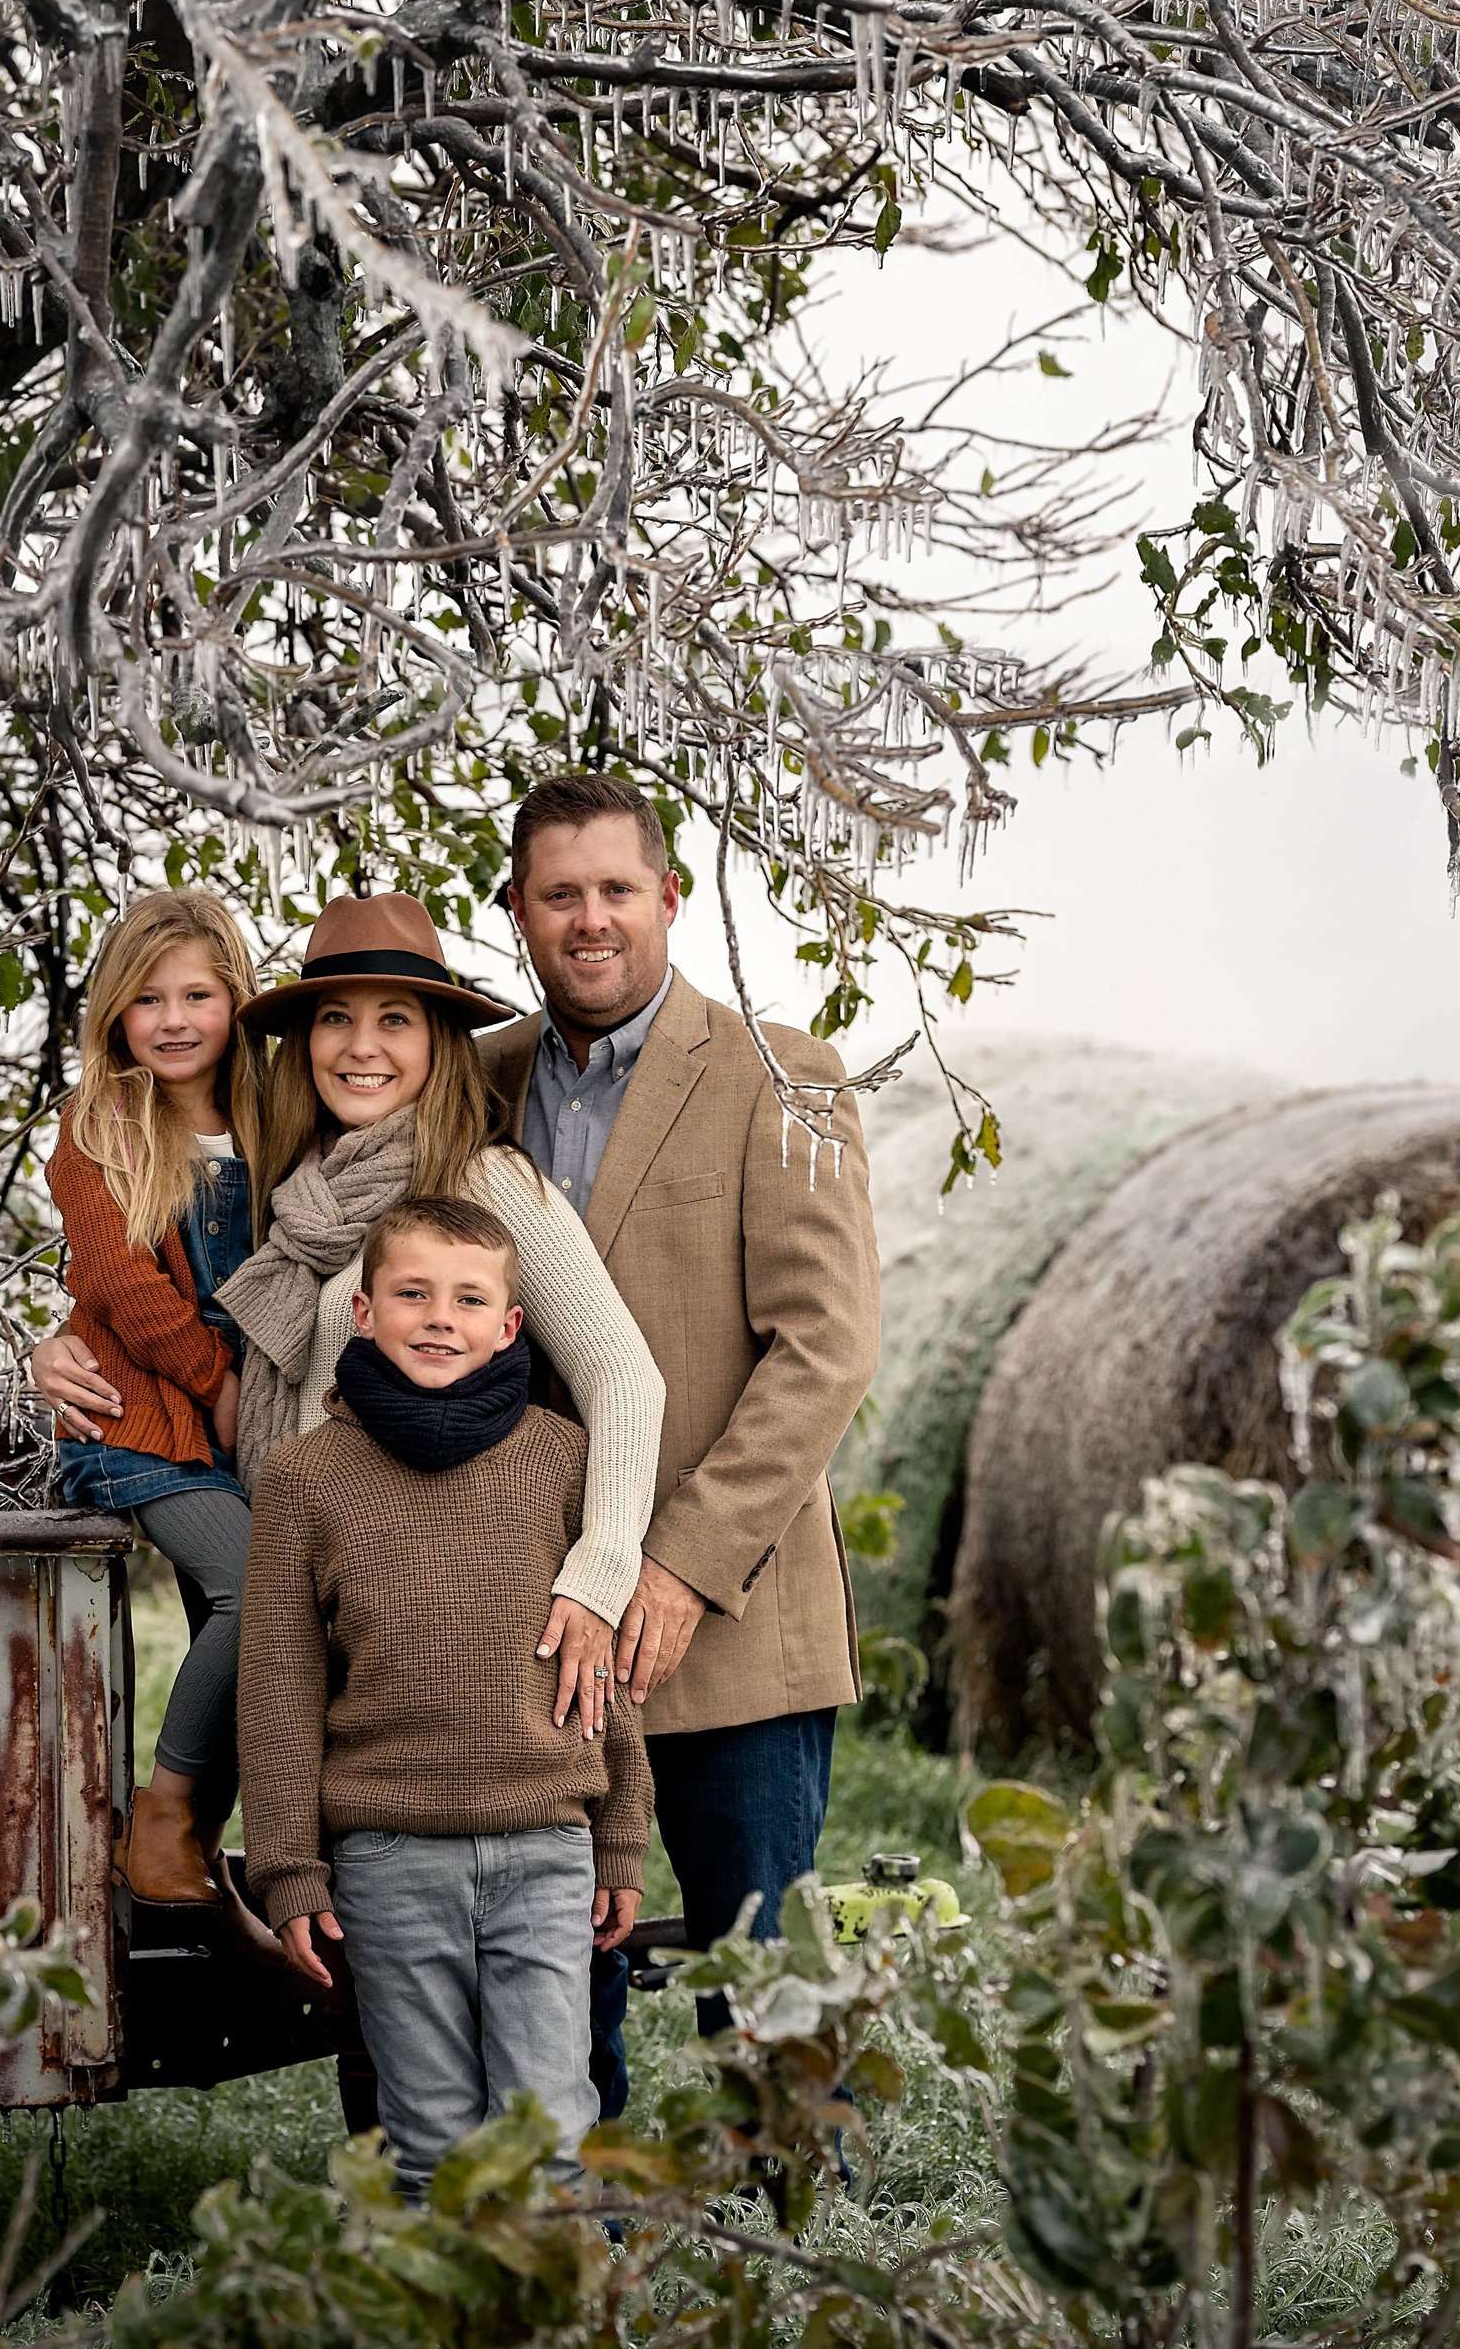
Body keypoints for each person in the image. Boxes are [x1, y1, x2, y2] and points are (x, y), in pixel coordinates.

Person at [483, 772, 880, 2121]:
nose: (588, 921)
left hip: (728, 1628)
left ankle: (787, 2267)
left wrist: (681, 1567)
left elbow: (825, 1350)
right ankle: (573, 2265)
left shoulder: (788, 1072)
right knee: (548, 1987)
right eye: (557, 896)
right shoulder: (470, 1084)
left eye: (612, 890)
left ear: (667, 897)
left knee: (758, 1991)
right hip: (541, 1630)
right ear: (521, 914)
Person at [37, 889, 665, 1738]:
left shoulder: (480, 1183)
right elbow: (144, 1279)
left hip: (433, 1628)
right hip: (310, 1612)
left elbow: (620, 1373)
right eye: (335, 1018)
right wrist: (58, 1347)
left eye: (395, 1020)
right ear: (303, 1043)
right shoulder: (294, 1186)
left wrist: (599, 1571)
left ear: (436, 1042)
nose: (361, 1047)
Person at [239, 1196, 650, 2192]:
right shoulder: (304, 1479)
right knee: (424, 2137)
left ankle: (553, 2313)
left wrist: (622, 1835)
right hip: (388, 1858)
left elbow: (602, 1664)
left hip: (544, 1849)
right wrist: (288, 1868)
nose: (439, 1317)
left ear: (512, 1325)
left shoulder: (562, 1456)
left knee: (547, 2125)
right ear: (364, 1313)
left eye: (470, 1298)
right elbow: (279, 1688)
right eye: (412, 1293)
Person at [42, 889, 271, 1931]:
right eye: (146, 999)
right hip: (136, 1422)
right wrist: (217, 1385)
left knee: (231, 1623)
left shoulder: (276, 1114)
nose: (172, 1019)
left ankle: (210, 1841)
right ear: (115, 1014)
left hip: (245, 1421)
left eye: (196, 994)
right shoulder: (98, 1127)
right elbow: (122, 1283)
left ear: (235, 998)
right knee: (254, 1588)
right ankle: (162, 1813)